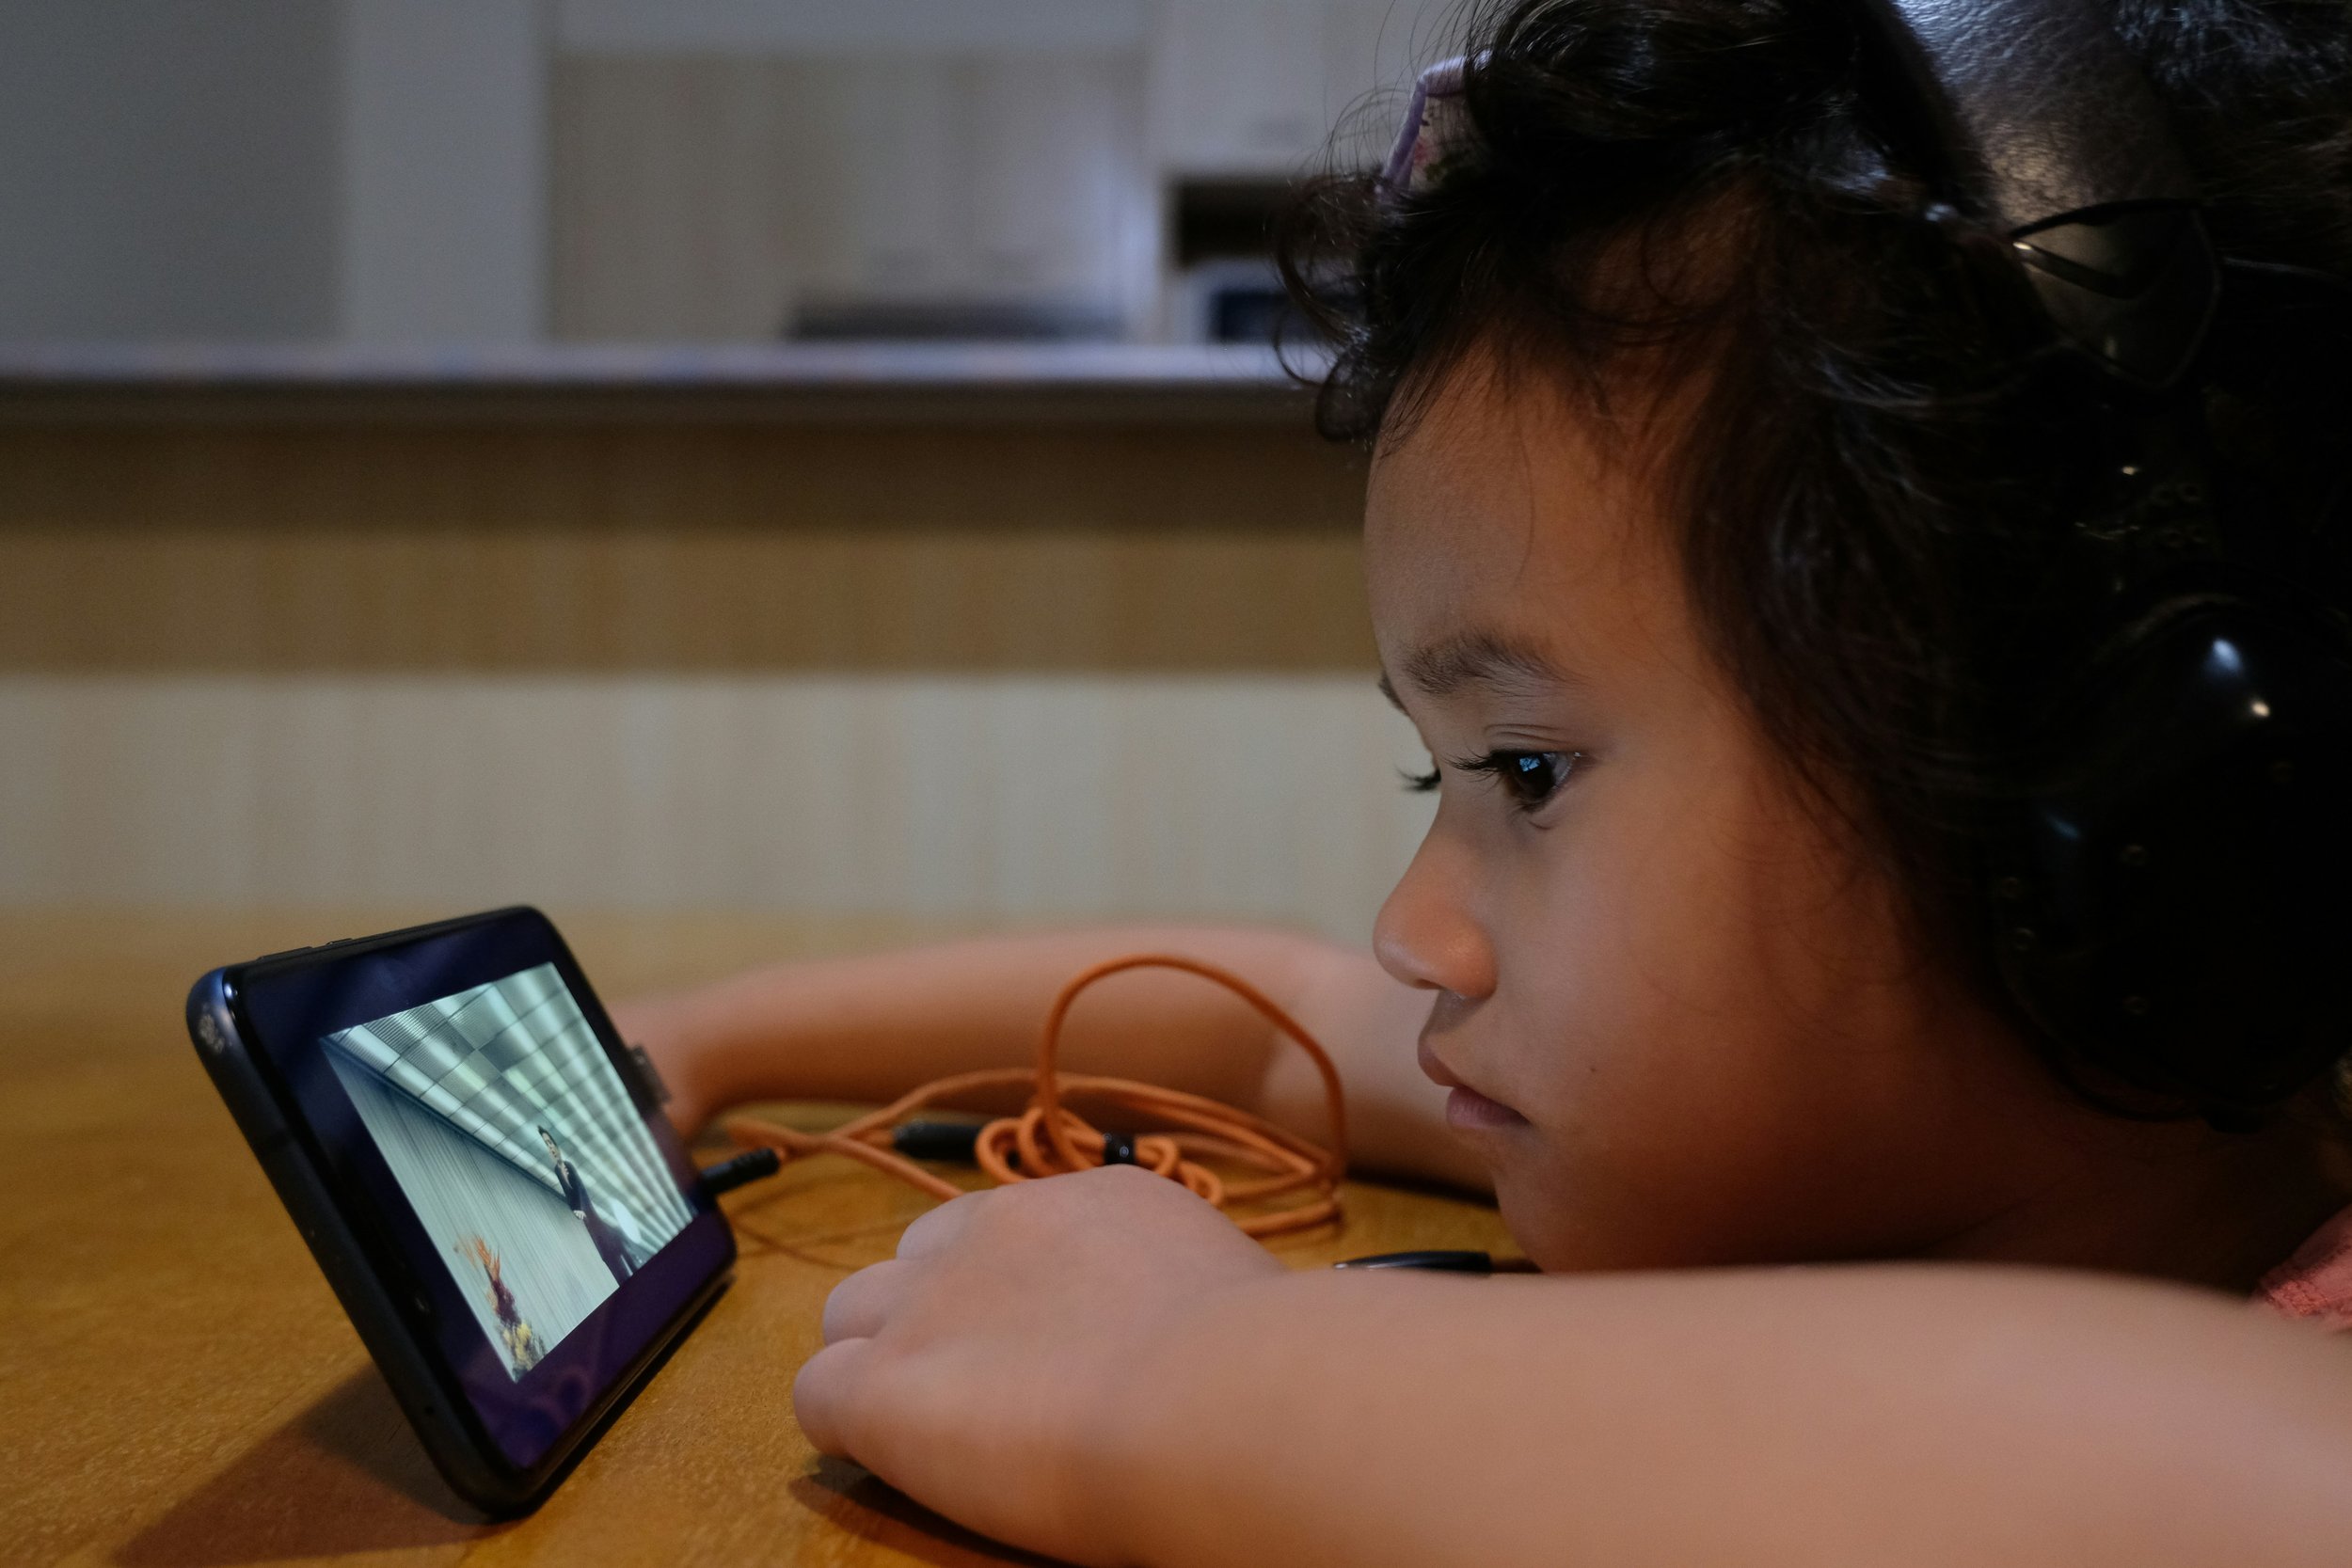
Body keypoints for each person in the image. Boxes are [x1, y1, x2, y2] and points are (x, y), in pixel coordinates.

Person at [616, 2, 2352, 1561]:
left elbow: (2211, 1470)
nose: (1415, 930)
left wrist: (1181, 1375)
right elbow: (1276, 1022)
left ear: (2143, 803)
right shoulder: (1721, 1135)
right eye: (1432, 773)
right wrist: (717, 1037)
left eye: (1529, 770)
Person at [538, 1124, 635, 1286]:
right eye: (546, 1145)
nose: (550, 1148)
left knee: (614, 1249)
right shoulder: (557, 1170)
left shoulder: (568, 1166)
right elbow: (569, 1196)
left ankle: (632, 1268)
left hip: (594, 1219)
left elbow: (581, 1190)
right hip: (590, 1226)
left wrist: (581, 1208)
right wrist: (575, 1210)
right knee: (608, 1258)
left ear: (556, 1145)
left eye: (550, 1143)